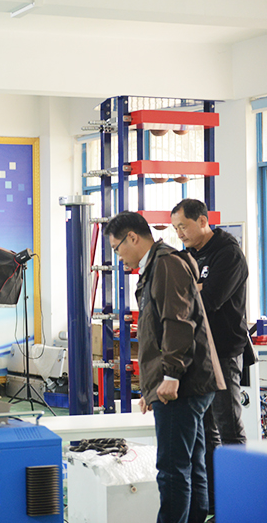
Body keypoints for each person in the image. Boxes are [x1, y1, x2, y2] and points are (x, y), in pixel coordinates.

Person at [105, 211, 224, 523]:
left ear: (133, 237)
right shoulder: (156, 266)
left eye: (117, 248)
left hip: (182, 384)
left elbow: (177, 322)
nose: (118, 257)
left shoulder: (166, 265)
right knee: (191, 464)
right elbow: (155, 332)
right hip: (186, 382)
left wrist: (171, 376)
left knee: (172, 470)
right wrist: (151, 387)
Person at [170, 198, 251, 516]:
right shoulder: (189, 254)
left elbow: (211, 299)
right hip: (198, 352)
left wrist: (195, 290)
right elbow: (181, 293)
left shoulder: (227, 253)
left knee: (228, 427)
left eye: (183, 226)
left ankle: (240, 503)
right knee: (205, 432)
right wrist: (196, 288)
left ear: (203, 221)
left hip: (224, 351)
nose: (179, 233)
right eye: (175, 228)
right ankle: (215, 503)